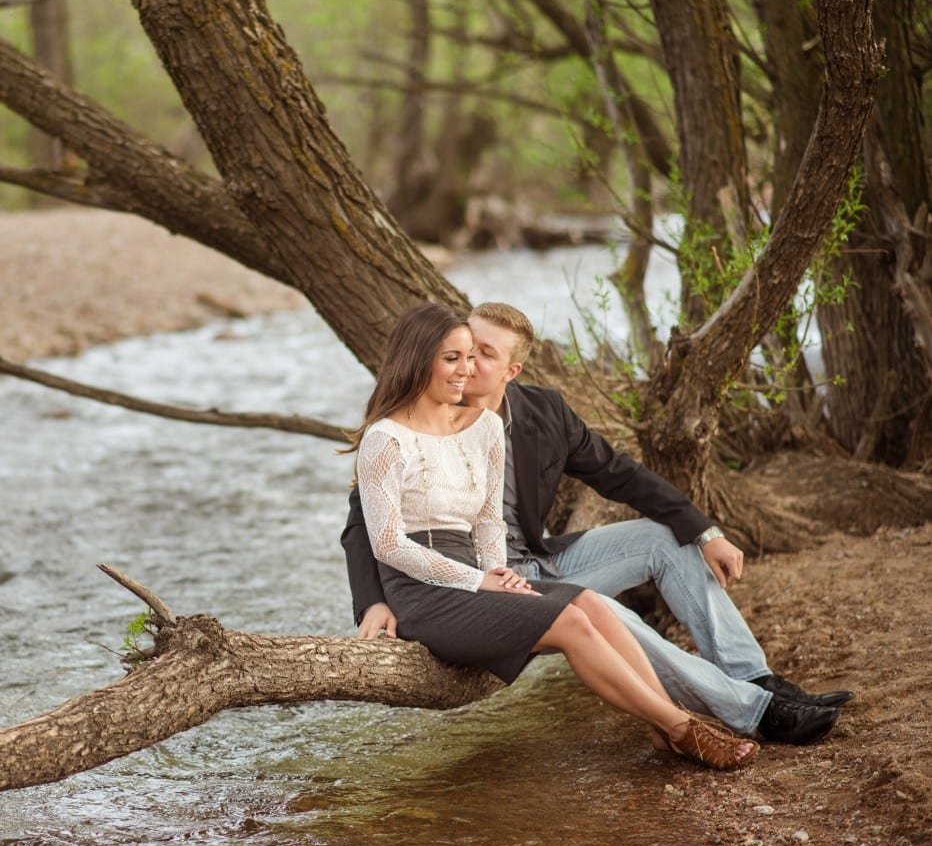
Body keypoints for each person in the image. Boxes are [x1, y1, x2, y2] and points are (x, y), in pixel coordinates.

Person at [345, 301, 851, 746]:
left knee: (661, 540)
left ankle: (757, 682)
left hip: (537, 562)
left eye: (482, 353)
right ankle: (752, 713)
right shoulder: (416, 423)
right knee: (611, 616)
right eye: (460, 350)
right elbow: (365, 522)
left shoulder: (542, 412)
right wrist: (374, 601)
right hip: (469, 581)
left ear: (512, 370)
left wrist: (704, 529)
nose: (467, 363)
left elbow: (618, 473)